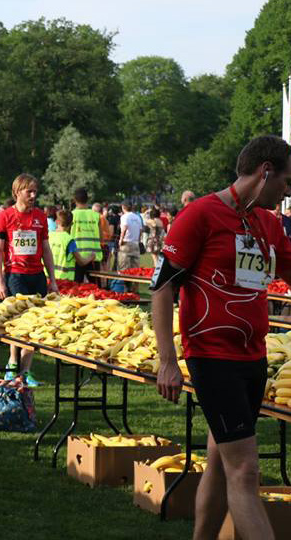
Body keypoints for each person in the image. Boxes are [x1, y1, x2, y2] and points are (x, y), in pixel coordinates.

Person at [152, 135, 291, 540]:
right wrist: (167, 360)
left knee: (219, 458)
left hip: (253, 357)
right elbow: (162, 290)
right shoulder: (200, 215)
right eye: (286, 182)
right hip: (212, 357)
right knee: (245, 469)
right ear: (266, 171)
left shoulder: (267, 223)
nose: (286, 192)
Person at [0, 174, 59, 386]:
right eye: (28, 191)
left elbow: (46, 249)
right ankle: (13, 364)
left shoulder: (40, 216)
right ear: (17, 192)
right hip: (15, 274)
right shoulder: (4, 216)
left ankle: (26, 370)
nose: (33, 195)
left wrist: (53, 279)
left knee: (36, 322)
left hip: (37, 275)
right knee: (18, 321)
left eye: (34, 191)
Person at [47, 210, 95, 282]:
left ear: (56, 221)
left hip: (48, 278)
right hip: (64, 280)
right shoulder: (69, 240)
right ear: (72, 223)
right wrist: (91, 256)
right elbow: (81, 262)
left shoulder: (48, 236)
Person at [69, 188, 103, 283]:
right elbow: (101, 237)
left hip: (76, 257)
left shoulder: (71, 215)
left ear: (74, 200)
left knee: (76, 289)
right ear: (87, 199)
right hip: (93, 257)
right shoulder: (96, 215)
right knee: (96, 289)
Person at [117, 201, 144, 283]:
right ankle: (135, 289)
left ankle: (124, 288)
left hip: (126, 243)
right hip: (135, 243)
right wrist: (138, 240)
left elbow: (124, 228)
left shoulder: (124, 217)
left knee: (124, 267)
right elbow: (140, 230)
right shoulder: (137, 217)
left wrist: (120, 240)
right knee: (135, 269)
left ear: (123, 207)